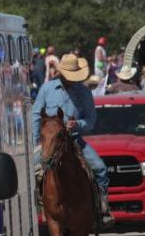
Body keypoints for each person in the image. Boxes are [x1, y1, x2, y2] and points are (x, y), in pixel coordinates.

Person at [31, 53, 112, 224]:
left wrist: (77, 124)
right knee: (32, 169)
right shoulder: (47, 89)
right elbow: (36, 114)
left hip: (75, 140)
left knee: (100, 169)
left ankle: (102, 207)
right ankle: (39, 208)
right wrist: (36, 139)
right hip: (51, 141)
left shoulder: (84, 93)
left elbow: (91, 120)